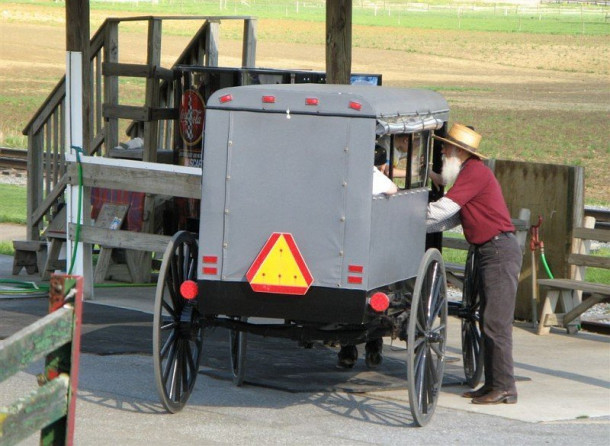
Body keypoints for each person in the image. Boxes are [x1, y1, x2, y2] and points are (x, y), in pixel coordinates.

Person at [426, 123, 522, 405]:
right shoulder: (470, 174)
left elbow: (445, 209)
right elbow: (455, 218)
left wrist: (411, 218)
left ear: (457, 151)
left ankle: (505, 387)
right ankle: (493, 383)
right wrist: (423, 224)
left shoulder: (475, 172)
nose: (442, 151)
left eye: (445, 147)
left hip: (498, 251)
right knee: (490, 320)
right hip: (490, 250)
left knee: (496, 323)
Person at [336, 142, 396, 369]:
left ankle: (348, 350)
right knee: (375, 291)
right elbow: (393, 190)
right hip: (369, 243)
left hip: (343, 241)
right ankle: (373, 346)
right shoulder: (372, 174)